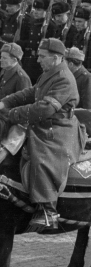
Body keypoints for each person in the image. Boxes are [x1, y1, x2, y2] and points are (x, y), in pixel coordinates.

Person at [0, 38, 81, 229]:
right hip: (44, 125)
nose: (38, 60)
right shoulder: (50, 72)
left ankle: (47, 209)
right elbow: (31, 92)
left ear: (56, 58)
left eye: (42, 57)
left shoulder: (64, 78)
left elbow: (45, 108)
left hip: (58, 129)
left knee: (40, 155)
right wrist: (5, 101)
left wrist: (12, 114)